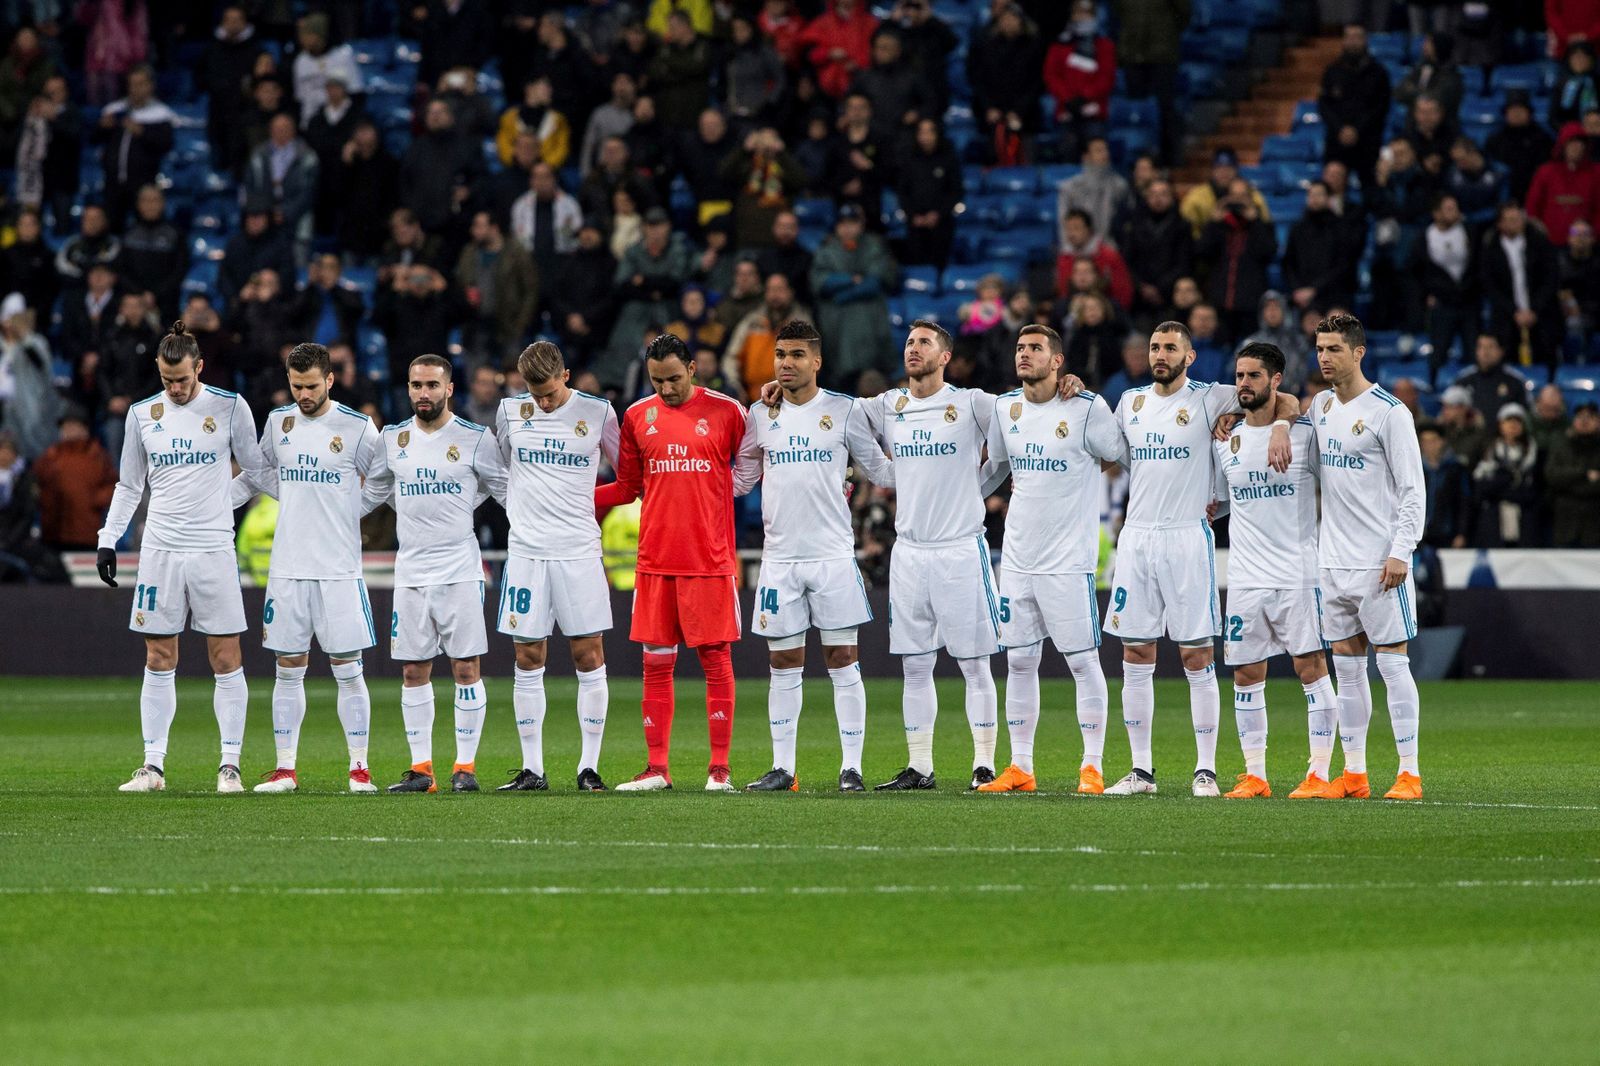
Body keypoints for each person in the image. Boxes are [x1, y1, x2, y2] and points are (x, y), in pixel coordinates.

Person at [1101, 321, 1294, 797]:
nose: (1160, 354)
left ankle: (1205, 769)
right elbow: (1108, 449)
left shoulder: (1212, 397)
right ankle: (1141, 770)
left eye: (1170, 347)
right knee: (1135, 653)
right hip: (1138, 539)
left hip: (1188, 537)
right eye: (1154, 346)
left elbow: (1282, 398)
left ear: (1190, 356)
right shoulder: (1130, 403)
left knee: (1196, 655)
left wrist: (1282, 425)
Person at [95, 322, 268, 793]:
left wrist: (221, 503)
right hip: (160, 549)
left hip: (213, 547)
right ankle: (153, 767)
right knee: (158, 654)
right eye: (168, 379)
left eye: (184, 380)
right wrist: (109, 538)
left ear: (200, 368)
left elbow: (254, 471)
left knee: (226, 655)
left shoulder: (230, 407)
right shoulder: (142, 414)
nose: (175, 388)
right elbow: (130, 485)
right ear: (159, 370)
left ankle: (229, 765)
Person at [731, 320, 894, 791]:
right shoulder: (759, 414)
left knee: (843, 657)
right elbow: (741, 477)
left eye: (797, 355)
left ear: (817, 361)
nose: (786, 363)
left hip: (832, 555)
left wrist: (932, 473)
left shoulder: (844, 411)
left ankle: (852, 767)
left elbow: (879, 467)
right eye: (781, 354)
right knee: (782, 663)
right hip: (780, 558)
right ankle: (784, 768)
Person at [970, 326, 1124, 793]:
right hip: (1017, 560)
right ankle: (1020, 767)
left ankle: (1092, 767)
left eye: (1035, 348)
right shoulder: (1004, 407)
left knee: (1082, 662)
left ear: (1057, 361)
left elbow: (1120, 455)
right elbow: (995, 467)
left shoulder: (1086, 407)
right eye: (1019, 347)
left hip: (1068, 560)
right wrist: (961, 507)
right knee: (1019, 661)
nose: (1024, 354)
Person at [593, 334, 747, 792]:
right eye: (657, 381)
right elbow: (625, 488)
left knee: (716, 661)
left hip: (709, 561)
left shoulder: (728, 412)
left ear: (693, 368)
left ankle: (719, 769)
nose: (666, 389)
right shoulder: (638, 417)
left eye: (674, 379)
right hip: (655, 561)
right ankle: (657, 768)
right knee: (655, 664)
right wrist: (565, 497)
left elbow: (760, 462)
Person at [230, 343, 385, 794]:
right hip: (289, 567)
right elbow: (259, 473)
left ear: (330, 380)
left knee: (347, 666)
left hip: (338, 568)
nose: (303, 394)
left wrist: (350, 508)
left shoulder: (357, 427)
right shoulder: (279, 423)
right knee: (287, 665)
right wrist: (215, 503)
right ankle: (285, 769)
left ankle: (359, 769)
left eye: (312, 386)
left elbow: (383, 478)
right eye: (296, 386)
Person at [858, 321, 1003, 791]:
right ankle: (920, 766)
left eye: (924, 343)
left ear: (945, 356)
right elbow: (841, 417)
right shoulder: (890, 405)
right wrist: (884, 471)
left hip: (960, 549)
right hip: (910, 554)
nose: (913, 349)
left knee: (974, 662)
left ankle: (984, 764)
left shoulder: (971, 402)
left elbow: (1006, 445)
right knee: (915, 664)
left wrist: (975, 488)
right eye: (908, 342)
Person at [358, 355, 506, 793]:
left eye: (431, 386)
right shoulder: (392, 438)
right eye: (416, 385)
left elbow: (501, 488)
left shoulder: (476, 438)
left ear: (449, 389)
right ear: (407, 388)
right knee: (413, 670)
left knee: (465, 667)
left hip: (459, 569)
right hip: (411, 571)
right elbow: (375, 493)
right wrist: (331, 514)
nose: (424, 393)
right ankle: (422, 770)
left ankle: (465, 768)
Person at [1302, 313, 1426, 802]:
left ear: (1358, 352)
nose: (1325, 358)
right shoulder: (1320, 407)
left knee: (1393, 666)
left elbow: (1413, 489)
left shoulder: (1389, 413)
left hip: (1380, 564)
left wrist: (1402, 550)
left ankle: (1409, 773)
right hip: (1332, 564)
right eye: (1320, 349)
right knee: (1348, 672)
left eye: (1334, 349)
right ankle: (1353, 775)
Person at [1208, 342, 1338, 799]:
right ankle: (1255, 775)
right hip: (1244, 577)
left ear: (1276, 381)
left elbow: (1340, 490)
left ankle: (1319, 774)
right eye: (1240, 376)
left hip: (1297, 574)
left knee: (1310, 667)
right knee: (1245, 674)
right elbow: (1218, 501)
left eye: (1254, 377)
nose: (1244, 384)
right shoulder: (1226, 441)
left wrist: (1284, 422)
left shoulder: (1304, 437)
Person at [490, 343, 619, 790]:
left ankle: (589, 767)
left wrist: (582, 505)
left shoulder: (599, 412)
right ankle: (533, 769)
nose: (543, 403)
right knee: (527, 656)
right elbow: (499, 470)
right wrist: (521, 509)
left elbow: (627, 474)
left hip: (579, 551)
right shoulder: (509, 412)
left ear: (566, 374)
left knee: (589, 654)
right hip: (526, 552)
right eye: (535, 394)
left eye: (549, 393)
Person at [808, 203, 896, 390]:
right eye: (843, 223)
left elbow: (874, 283)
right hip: (836, 323)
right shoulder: (826, 251)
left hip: (868, 317)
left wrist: (842, 296)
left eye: (853, 223)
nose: (848, 228)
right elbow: (821, 283)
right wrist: (851, 279)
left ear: (861, 225)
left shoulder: (873, 245)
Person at [1482, 202, 1562, 375]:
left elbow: (1550, 278)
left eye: (1518, 219)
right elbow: (1491, 287)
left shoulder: (1539, 242)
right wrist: (1514, 312)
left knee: (1546, 359)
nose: (1516, 223)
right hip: (1507, 317)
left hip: (1541, 314)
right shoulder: (1491, 248)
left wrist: (1534, 309)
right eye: (1510, 220)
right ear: (1500, 224)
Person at [93, 65, 174, 231]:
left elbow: (166, 144)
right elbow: (93, 139)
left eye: (141, 84)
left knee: (145, 228)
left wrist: (141, 132)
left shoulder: (161, 114)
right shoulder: (115, 110)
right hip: (113, 184)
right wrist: (102, 127)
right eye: (132, 84)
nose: (136, 89)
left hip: (143, 185)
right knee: (111, 228)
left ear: (150, 86)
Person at [1319, 24, 1391, 189]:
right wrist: (1340, 129)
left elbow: (1380, 107)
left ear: (1365, 40)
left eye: (1357, 37)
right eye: (1349, 37)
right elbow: (1324, 105)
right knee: (1331, 187)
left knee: (1370, 188)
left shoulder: (1378, 73)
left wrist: (1357, 129)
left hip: (1367, 142)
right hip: (1337, 142)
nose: (1352, 42)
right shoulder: (1332, 71)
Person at [1414, 193, 1478, 376]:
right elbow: (1417, 272)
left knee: (1473, 351)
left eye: (1456, 208)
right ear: (1436, 213)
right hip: (1442, 303)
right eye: (1449, 209)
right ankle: (1434, 386)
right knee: (1439, 351)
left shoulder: (1469, 231)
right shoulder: (1426, 237)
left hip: (1468, 301)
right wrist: (1426, 295)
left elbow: (1477, 265)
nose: (1455, 212)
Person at [1044, 1, 1116, 161]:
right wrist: (1068, 98)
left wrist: (1084, 97)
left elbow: (1107, 78)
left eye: (1087, 14)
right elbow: (1051, 76)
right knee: (1067, 152)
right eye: (1078, 13)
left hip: (1095, 112)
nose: (1082, 18)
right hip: (1066, 110)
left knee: (1096, 155)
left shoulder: (1104, 46)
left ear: (1095, 17)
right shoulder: (1059, 46)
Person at [1527, 123, 1600, 249]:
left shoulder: (1596, 173)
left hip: (1587, 245)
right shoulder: (1545, 172)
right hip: (1549, 243)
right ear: (1562, 145)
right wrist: (1539, 233)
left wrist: (1593, 234)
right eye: (1571, 143)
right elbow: (1532, 206)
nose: (1575, 147)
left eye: (1579, 143)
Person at [1545, 400, 1600, 547]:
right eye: (1580, 417)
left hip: (1594, 520)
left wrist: (1571, 483)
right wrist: (1584, 474)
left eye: (1590, 417)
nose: (1584, 421)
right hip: (1565, 519)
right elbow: (1552, 476)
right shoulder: (1561, 444)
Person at [1058, 137, 1132, 246]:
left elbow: (1127, 218)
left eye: (1106, 150)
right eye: (1099, 151)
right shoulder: (1069, 188)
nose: (1105, 154)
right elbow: (1063, 224)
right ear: (1086, 157)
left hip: (1109, 248)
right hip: (1078, 249)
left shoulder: (1120, 186)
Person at [1486, 90, 1555, 203]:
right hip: (1502, 195)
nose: (1516, 114)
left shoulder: (1543, 139)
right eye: (1512, 110)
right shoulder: (1495, 140)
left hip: (1535, 193)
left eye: (1520, 109)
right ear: (1506, 114)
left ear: (1529, 113)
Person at [1455, 333, 1533, 426]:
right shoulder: (1464, 379)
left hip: (1505, 437)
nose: (1485, 352)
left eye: (1490, 347)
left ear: (1501, 351)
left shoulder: (1515, 381)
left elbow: (1527, 413)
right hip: (1471, 436)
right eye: (1481, 347)